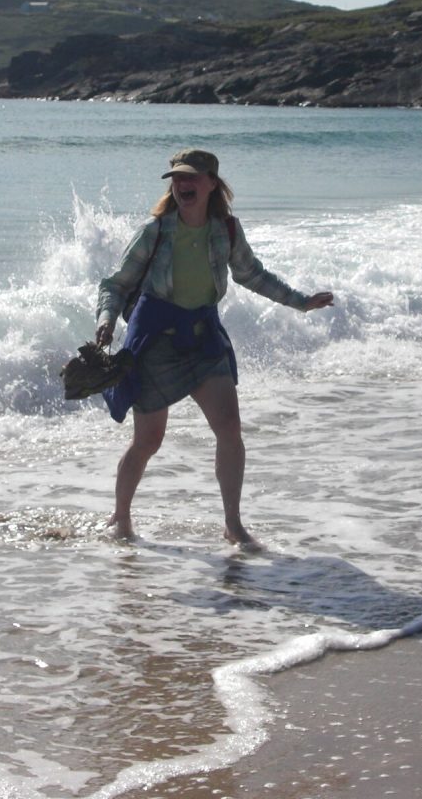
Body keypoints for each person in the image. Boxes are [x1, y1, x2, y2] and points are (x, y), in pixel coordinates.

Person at [94, 148, 334, 548]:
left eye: (192, 177)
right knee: (148, 441)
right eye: (177, 177)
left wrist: (300, 301)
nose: (183, 184)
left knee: (230, 429)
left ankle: (233, 525)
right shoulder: (155, 231)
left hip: (204, 336)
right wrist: (104, 321)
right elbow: (115, 285)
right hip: (155, 341)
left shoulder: (226, 230)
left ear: (211, 184)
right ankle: (120, 517)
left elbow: (251, 274)